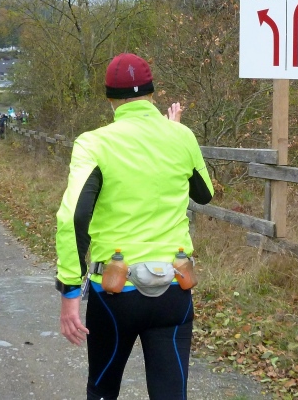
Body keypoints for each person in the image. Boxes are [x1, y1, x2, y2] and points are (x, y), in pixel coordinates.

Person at [55, 53, 213, 400]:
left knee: (102, 390)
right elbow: (205, 193)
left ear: (110, 98)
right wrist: (174, 133)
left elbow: (72, 217)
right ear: (152, 93)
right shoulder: (181, 136)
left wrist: (69, 292)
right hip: (173, 288)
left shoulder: (94, 143)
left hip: (115, 293)